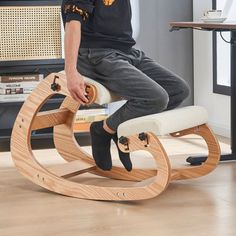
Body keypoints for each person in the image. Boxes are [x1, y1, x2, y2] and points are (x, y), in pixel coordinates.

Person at [61, 0, 190, 172]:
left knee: (179, 90)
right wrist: (71, 72)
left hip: (128, 51)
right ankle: (103, 131)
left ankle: (117, 128)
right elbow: (72, 25)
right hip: (96, 53)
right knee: (156, 98)